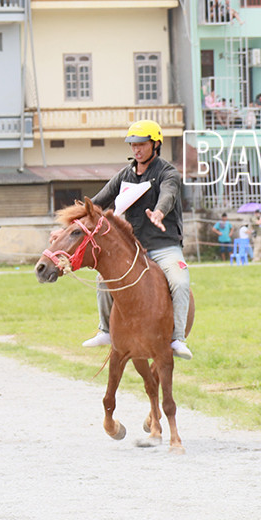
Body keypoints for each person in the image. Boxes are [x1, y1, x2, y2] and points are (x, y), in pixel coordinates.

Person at [81, 120, 194, 361]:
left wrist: (159, 212)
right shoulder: (124, 175)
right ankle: (105, 331)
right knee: (103, 279)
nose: (136, 149)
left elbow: (169, 194)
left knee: (181, 282)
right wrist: (71, 223)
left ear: (156, 144)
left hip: (165, 247)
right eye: (133, 145)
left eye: (141, 144)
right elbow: (98, 202)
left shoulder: (168, 172)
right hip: (134, 250)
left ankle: (178, 339)